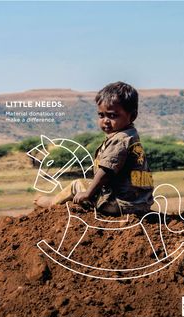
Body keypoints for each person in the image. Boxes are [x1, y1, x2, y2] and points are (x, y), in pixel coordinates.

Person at [34, 81, 154, 216]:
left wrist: (88, 193)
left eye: (112, 115)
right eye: (101, 115)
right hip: (141, 203)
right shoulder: (131, 136)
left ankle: (52, 203)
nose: (105, 120)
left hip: (120, 205)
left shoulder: (119, 140)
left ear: (132, 116)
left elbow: (106, 170)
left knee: (78, 184)